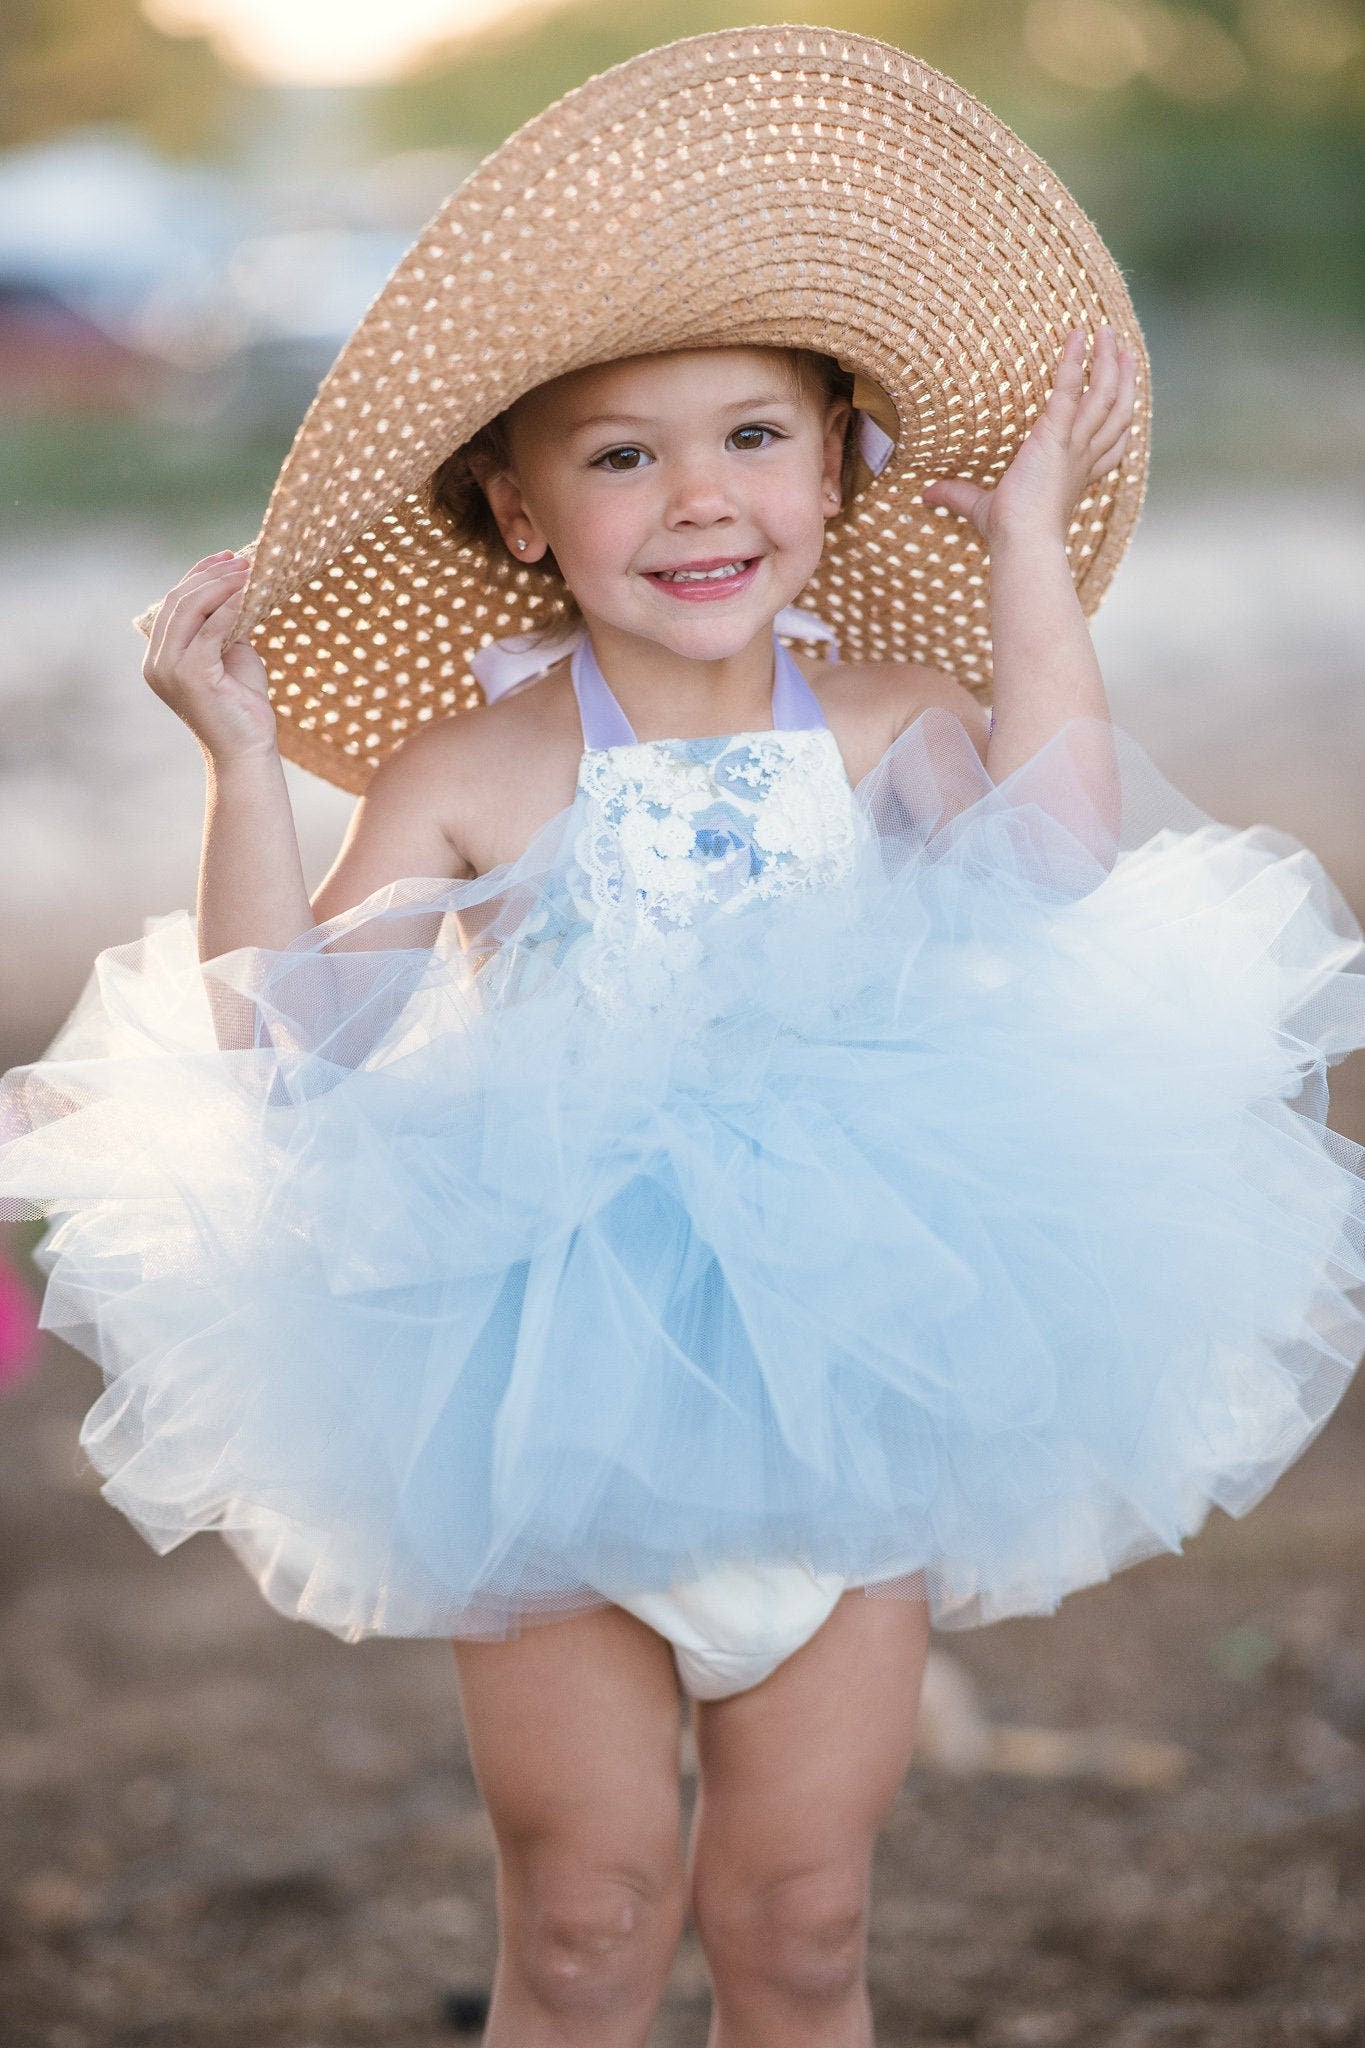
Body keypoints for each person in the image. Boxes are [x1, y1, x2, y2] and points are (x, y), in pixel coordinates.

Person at [3, 26, 1364, 2048]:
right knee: (583, 1912)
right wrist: (237, 765)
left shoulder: (895, 724)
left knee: (800, 1913)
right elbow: (294, 1049)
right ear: (521, 507)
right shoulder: (475, 766)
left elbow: (1057, 859)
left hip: (856, 1376)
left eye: (750, 437)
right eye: (621, 453)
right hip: (552, 1397)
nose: (696, 497)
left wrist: (1019, 559)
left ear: (831, 469)